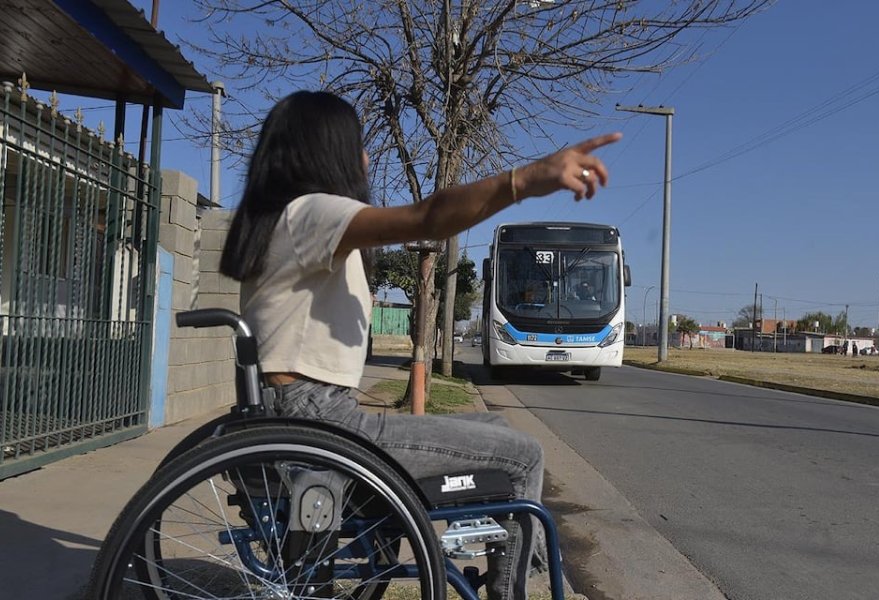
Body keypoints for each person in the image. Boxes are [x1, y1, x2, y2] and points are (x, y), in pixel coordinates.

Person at [219, 90, 621, 600]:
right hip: (321, 422)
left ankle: (504, 556)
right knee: (522, 456)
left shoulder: (283, 219)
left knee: (497, 427)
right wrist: (523, 181)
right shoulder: (312, 213)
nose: (365, 157)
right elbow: (429, 216)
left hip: (306, 414)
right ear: (326, 151)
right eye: (357, 144)